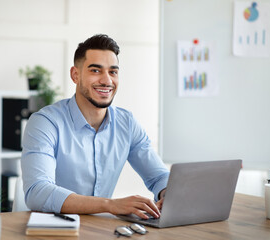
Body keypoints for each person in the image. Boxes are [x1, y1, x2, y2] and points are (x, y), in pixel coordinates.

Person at [21, 34, 169, 219]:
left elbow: (159, 177)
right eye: (96, 71)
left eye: (113, 72)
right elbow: (38, 192)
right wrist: (110, 205)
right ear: (75, 75)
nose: (107, 81)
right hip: (52, 230)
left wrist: (167, 195)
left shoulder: (127, 123)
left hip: (99, 230)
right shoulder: (45, 123)